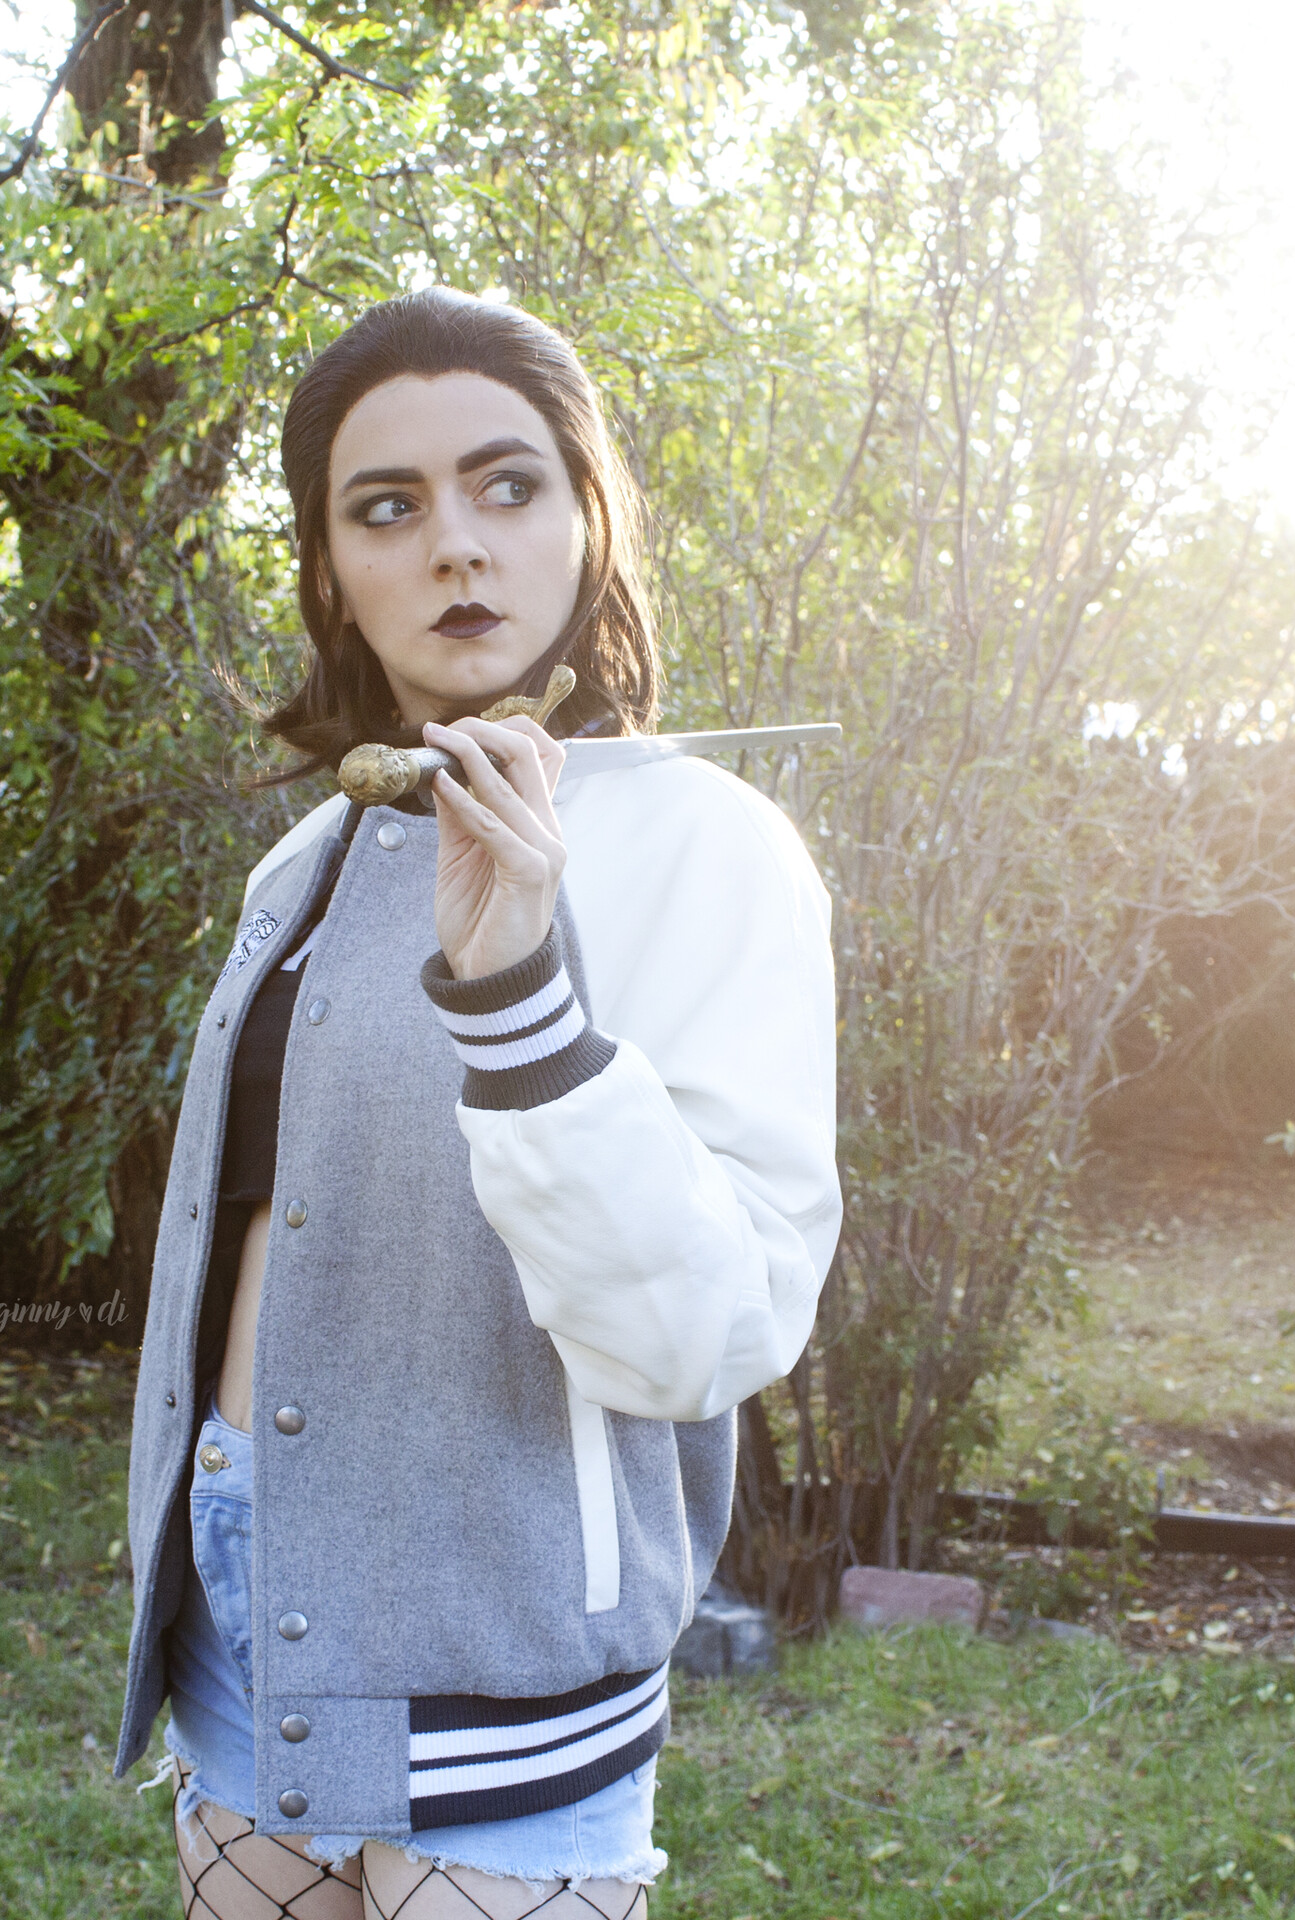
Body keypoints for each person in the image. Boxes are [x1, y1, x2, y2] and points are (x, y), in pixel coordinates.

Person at [111, 287, 841, 1920]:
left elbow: (707, 1335)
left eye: (507, 485)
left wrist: (520, 995)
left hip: (501, 1672)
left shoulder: (706, 845)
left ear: (589, 521)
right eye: (388, 507)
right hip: (247, 1622)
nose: (455, 544)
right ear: (330, 571)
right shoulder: (306, 858)